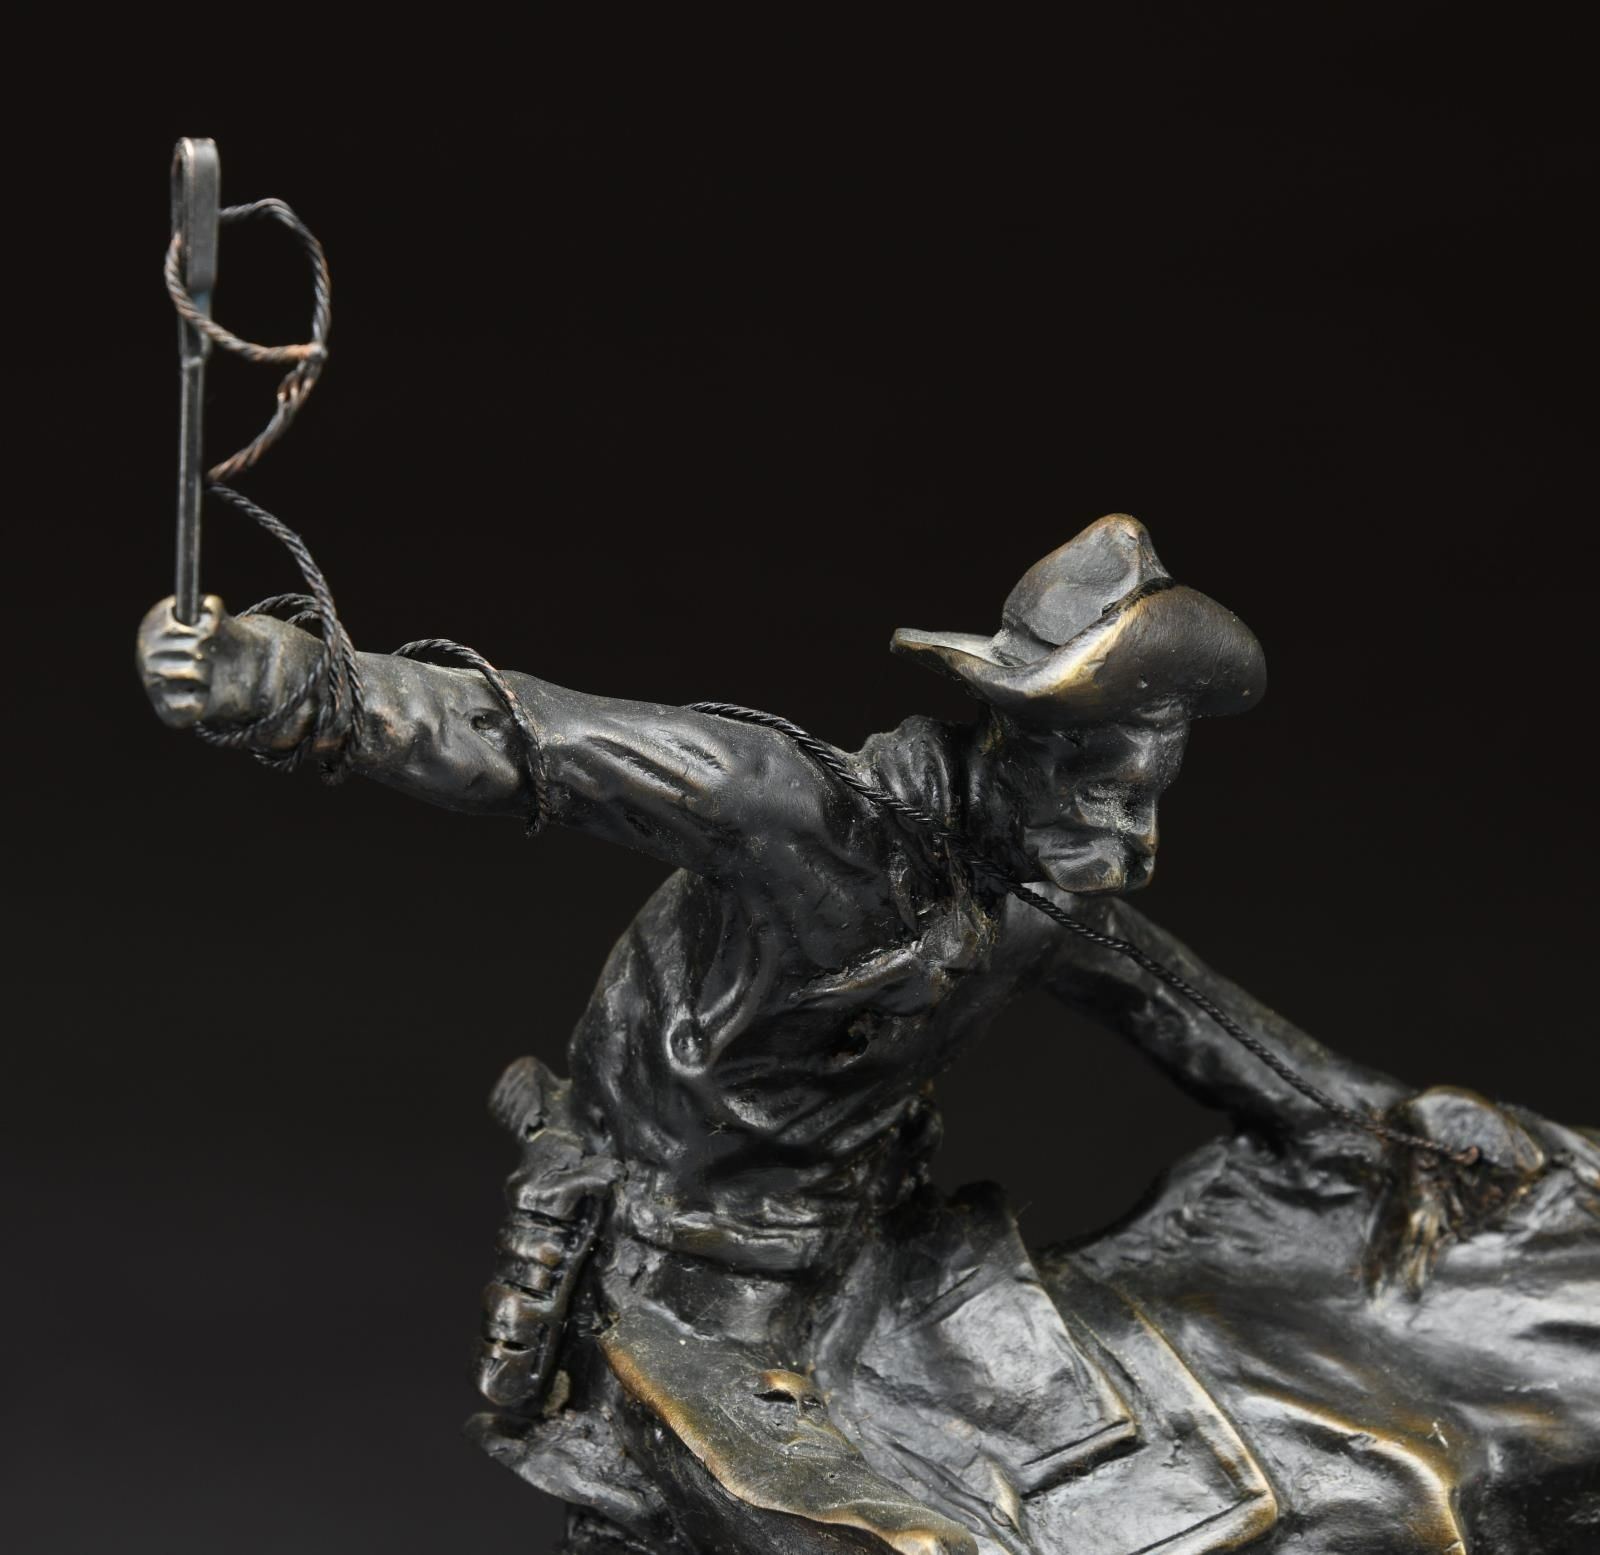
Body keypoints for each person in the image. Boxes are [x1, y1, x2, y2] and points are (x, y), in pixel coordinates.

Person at [142, 513, 1496, 1553]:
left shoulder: (1036, 902)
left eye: (1152, 801)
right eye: (1103, 794)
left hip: (887, 1276)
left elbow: (1208, 1030)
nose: (1135, 846)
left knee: (1196, 1486)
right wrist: (287, 682)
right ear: (1016, 745)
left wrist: (1397, 1124)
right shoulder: (790, 816)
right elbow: (529, 740)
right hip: (682, 1307)